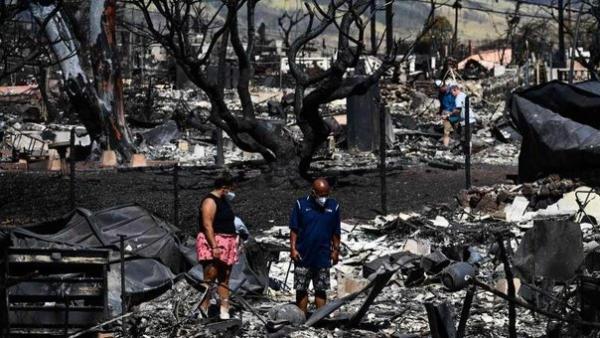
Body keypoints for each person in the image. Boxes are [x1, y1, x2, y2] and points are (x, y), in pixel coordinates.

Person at [289, 178, 341, 315]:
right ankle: (301, 317)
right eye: (321, 195)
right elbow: (294, 229)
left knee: (321, 289)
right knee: (301, 289)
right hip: (303, 255)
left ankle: (320, 317)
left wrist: (336, 250)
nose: (324, 198)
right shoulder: (301, 205)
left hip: (322, 255)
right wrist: (293, 248)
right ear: (313, 192)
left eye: (326, 194)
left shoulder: (333, 206)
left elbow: (336, 231)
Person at [196, 174, 239, 320]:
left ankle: (224, 309)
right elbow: (207, 224)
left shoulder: (224, 201)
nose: (232, 191)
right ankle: (204, 307)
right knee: (210, 276)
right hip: (214, 242)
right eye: (231, 188)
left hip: (228, 242)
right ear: (224, 187)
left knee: (224, 277)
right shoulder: (210, 201)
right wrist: (214, 246)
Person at [435, 80, 456, 147]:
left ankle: (452, 142)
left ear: (444, 86)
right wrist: (440, 112)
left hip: (454, 112)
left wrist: (451, 112)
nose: (440, 90)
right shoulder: (441, 94)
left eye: (441, 88)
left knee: (454, 127)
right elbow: (442, 104)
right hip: (446, 112)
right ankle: (446, 144)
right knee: (447, 129)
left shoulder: (452, 92)